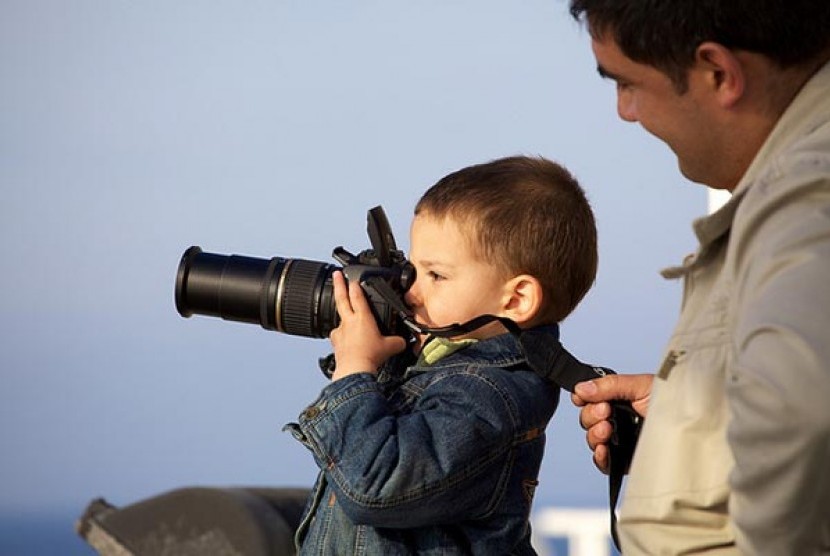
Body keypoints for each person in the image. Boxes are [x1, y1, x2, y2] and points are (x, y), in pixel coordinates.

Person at [566, 1, 830, 553]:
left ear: (718, 74)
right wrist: (690, 417)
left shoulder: (807, 207)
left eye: (627, 84)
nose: (626, 112)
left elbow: (804, 425)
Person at [285, 155, 598, 554]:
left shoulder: (487, 395)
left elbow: (377, 485)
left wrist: (355, 369)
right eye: (411, 269)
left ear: (517, 299)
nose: (411, 290)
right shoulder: (435, 369)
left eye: (436, 275)